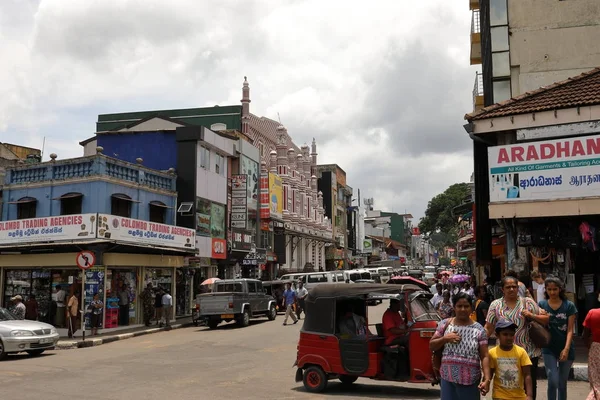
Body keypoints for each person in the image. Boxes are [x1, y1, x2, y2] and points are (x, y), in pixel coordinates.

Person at [486, 275, 548, 400]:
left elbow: (545, 320)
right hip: (504, 355)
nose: (511, 289)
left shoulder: (528, 302)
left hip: (528, 352)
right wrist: (478, 343)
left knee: (529, 385)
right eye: (508, 287)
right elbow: (488, 327)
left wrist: (531, 315)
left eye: (514, 287)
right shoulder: (495, 305)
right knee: (507, 384)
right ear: (502, 289)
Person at [429, 292, 491, 399]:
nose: (463, 309)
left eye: (466, 306)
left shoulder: (479, 329)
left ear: (471, 308)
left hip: (470, 381)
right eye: (459, 306)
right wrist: (445, 339)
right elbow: (432, 346)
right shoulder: (444, 324)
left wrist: (487, 378)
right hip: (447, 378)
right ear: (454, 308)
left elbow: (484, 355)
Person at [536, 277, 576, 400]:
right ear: (546, 290)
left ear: (560, 289)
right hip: (548, 348)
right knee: (552, 380)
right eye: (549, 289)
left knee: (562, 383)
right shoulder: (541, 305)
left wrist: (566, 349)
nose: (552, 292)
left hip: (566, 347)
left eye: (555, 289)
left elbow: (570, 330)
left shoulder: (569, 306)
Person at [488, 319, 533, 400]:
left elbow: (527, 375)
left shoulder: (521, 352)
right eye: (505, 334)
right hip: (500, 395)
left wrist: (529, 395)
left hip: (519, 396)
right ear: (497, 335)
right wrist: (486, 383)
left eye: (511, 335)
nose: (509, 337)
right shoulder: (492, 353)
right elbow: (489, 374)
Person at [583, 307, 600, 400]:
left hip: (595, 348)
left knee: (596, 384)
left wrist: (591, 347)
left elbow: (585, 335)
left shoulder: (592, 313)